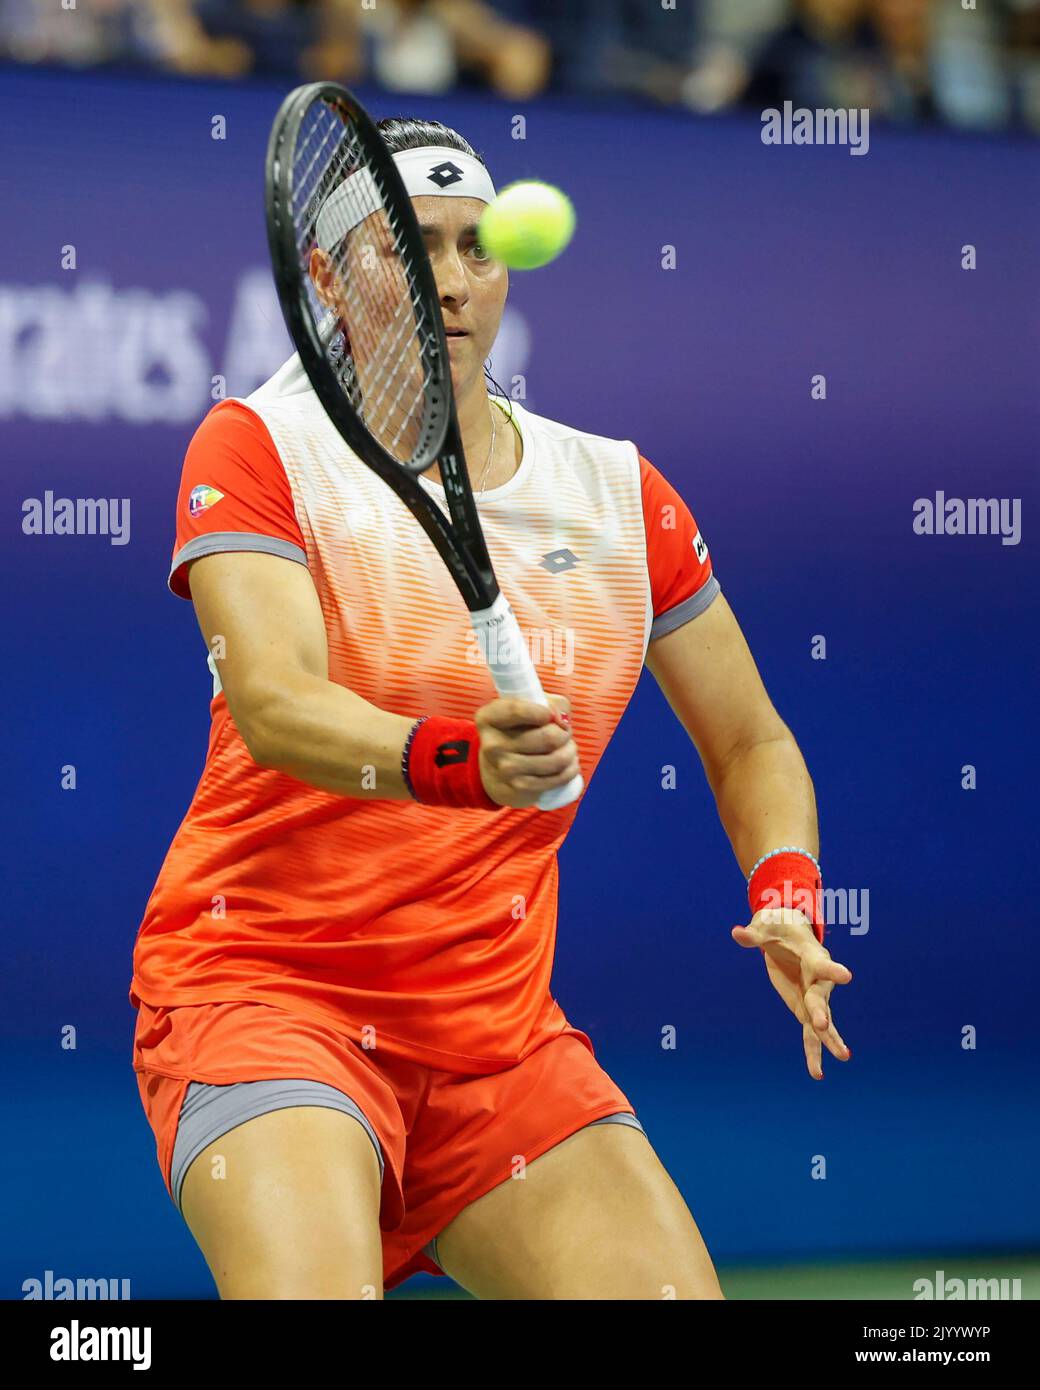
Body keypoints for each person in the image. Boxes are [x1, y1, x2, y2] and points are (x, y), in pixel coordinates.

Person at [129, 116, 852, 1300]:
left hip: (493, 1042)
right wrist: (456, 757)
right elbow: (271, 702)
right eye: (409, 248)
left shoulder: (616, 496)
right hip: (270, 996)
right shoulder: (262, 444)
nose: (450, 282)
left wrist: (784, 890)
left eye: (476, 247)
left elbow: (749, 738)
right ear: (324, 275)